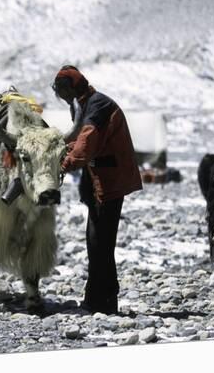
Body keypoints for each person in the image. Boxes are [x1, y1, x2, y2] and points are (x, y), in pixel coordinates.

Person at [53, 65, 142, 314]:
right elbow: (80, 139)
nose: (61, 96)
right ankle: (96, 299)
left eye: (62, 90)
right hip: (99, 179)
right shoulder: (85, 103)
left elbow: (86, 141)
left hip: (110, 181)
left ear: (72, 87)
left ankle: (105, 302)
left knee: (101, 243)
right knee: (96, 242)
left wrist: (62, 163)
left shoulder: (97, 106)